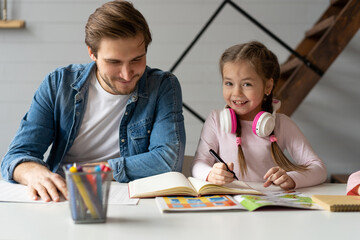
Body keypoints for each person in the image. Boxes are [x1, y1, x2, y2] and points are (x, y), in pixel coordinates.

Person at [1, 0, 185, 202]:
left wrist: (92, 171)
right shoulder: (58, 84)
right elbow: (16, 156)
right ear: (92, 53)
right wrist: (33, 173)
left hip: (128, 197)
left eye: (136, 59)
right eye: (114, 62)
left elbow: (169, 159)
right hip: (62, 196)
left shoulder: (162, 86)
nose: (127, 74)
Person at [192, 41, 326, 190]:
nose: (236, 93)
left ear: (268, 86)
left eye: (246, 84)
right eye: (229, 83)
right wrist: (211, 174)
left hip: (267, 205)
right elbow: (198, 164)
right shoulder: (215, 120)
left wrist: (292, 178)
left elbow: (318, 169)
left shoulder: (282, 125)